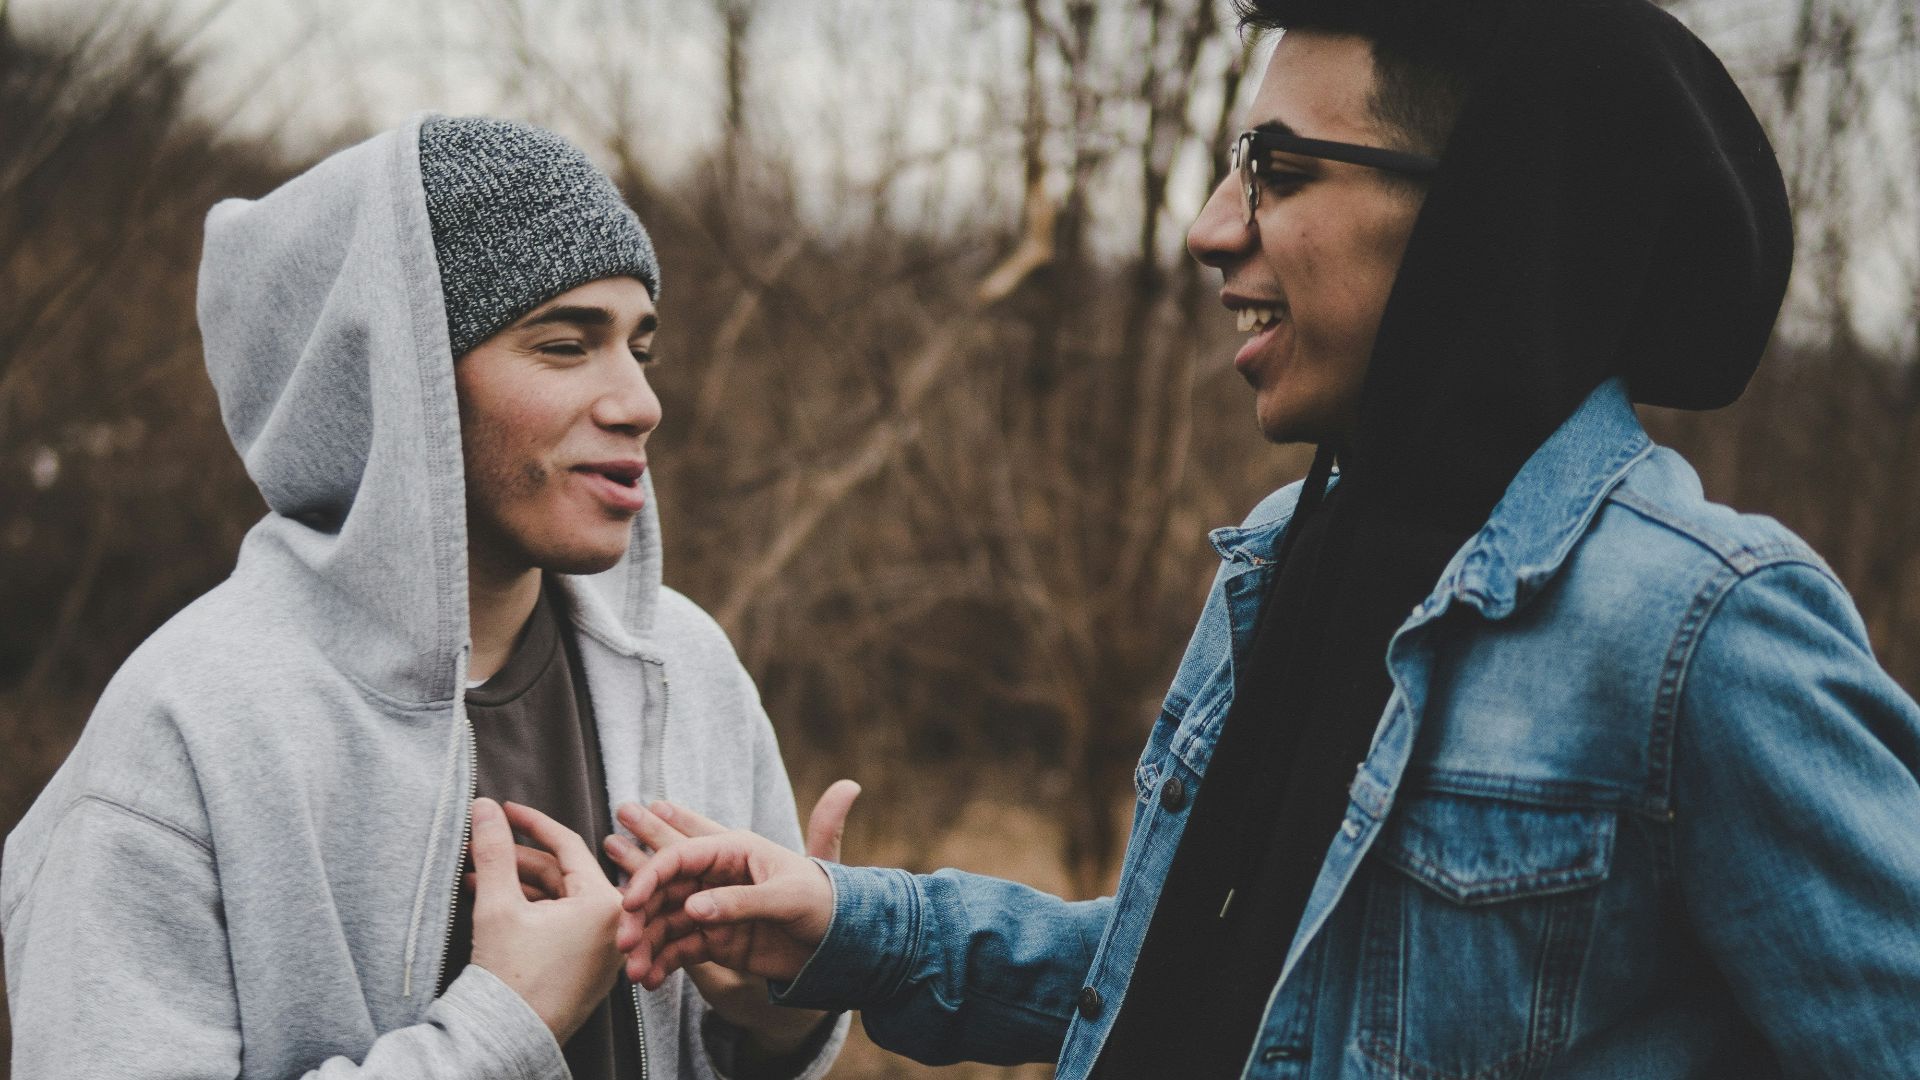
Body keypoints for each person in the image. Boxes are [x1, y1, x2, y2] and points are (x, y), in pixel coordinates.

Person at [608, 1, 1920, 1077]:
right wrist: (845, 926)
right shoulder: (1283, 565)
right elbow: (1191, 978)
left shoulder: (1703, 633)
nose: (1209, 229)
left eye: (1280, 171)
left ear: (1482, 218)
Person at [1, 114, 849, 1079]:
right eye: (567, 345)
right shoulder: (189, 729)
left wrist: (782, 1014)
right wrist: (497, 1032)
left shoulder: (684, 667)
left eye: (639, 347)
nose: (638, 402)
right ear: (401, 382)